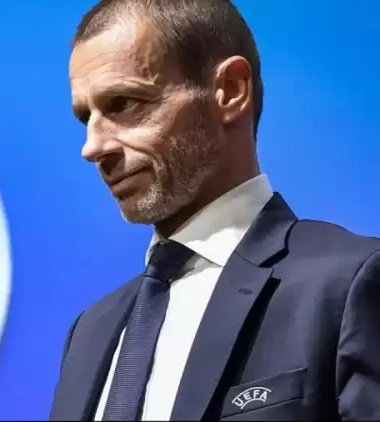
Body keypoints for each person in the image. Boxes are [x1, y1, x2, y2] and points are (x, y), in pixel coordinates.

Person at [49, 0, 380, 420]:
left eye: (124, 103)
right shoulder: (88, 335)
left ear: (231, 90)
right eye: (86, 117)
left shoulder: (349, 284)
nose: (93, 147)